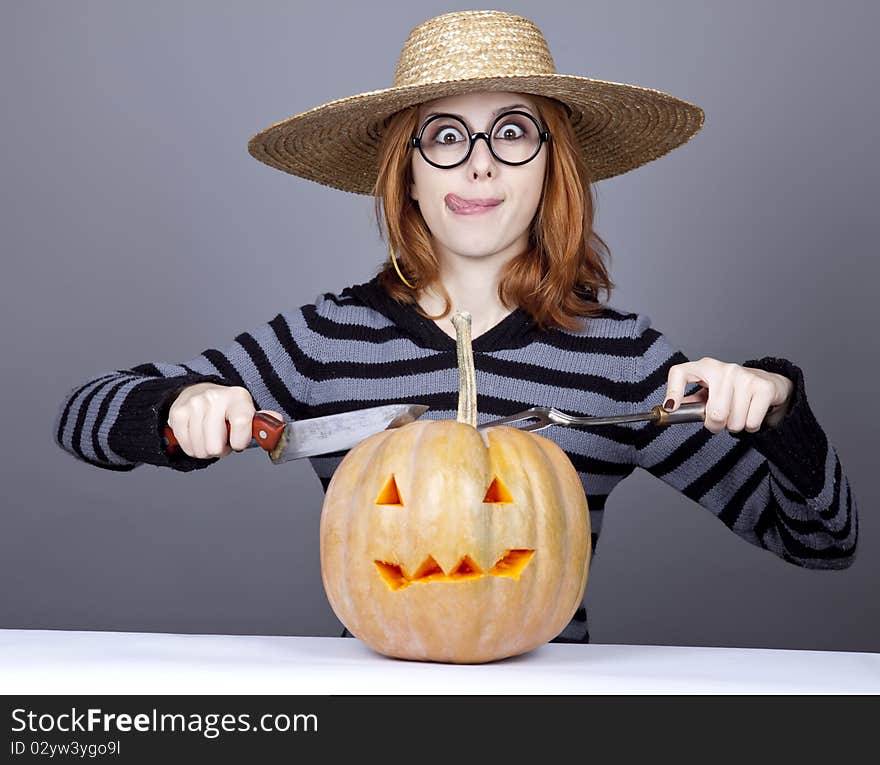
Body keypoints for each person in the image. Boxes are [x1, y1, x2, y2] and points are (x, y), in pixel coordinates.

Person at [53, 10, 858, 644]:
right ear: (406, 173)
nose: (479, 164)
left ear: (552, 167)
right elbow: (83, 414)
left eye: (512, 132)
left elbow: (822, 541)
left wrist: (777, 406)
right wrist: (176, 410)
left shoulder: (621, 359)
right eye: (445, 136)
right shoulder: (326, 339)